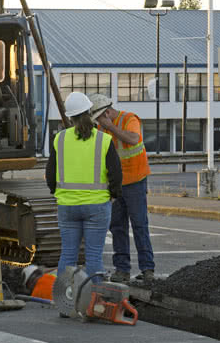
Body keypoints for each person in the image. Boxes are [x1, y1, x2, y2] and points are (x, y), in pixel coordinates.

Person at [45, 92, 122, 286]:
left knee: (68, 254)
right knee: (94, 256)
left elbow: (50, 174)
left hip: (67, 206)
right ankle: (94, 303)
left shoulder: (59, 139)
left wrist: (58, 194)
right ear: (90, 112)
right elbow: (116, 174)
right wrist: (113, 195)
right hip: (97, 206)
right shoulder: (104, 140)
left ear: (70, 117)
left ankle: (65, 302)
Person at [88, 93, 155, 283]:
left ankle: (147, 269)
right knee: (117, 227)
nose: (98, 123)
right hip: (115, 184)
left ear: (107, 113)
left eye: (100, 119)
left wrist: (110, 127)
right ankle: (122, 269)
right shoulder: (101, 127)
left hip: (135, 181)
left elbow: (133, 139)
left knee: (140, 224)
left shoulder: (129, 119)